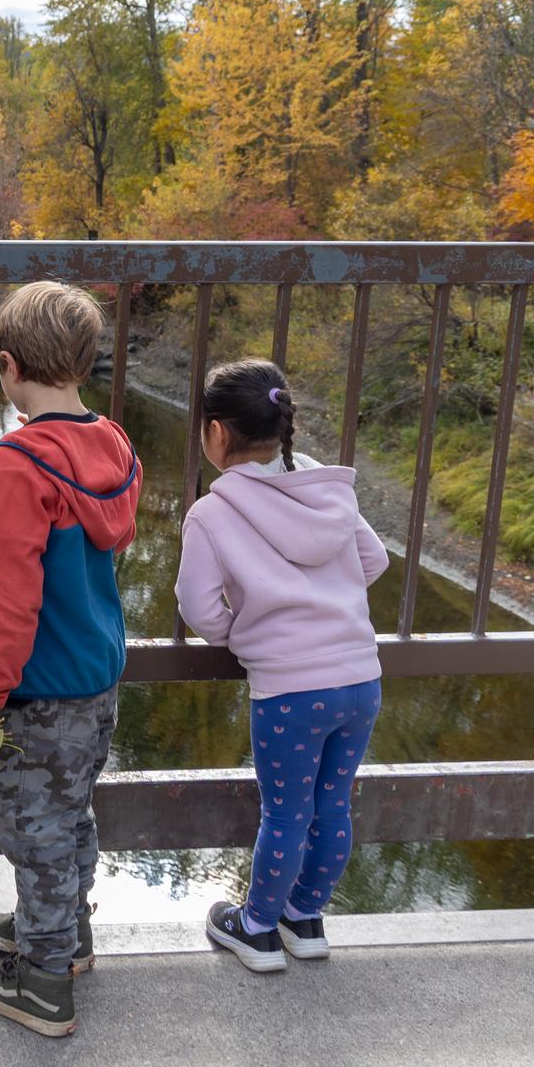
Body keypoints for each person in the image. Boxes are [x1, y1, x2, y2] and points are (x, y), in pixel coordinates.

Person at [0, 281, 141, 1037]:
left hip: (38, 688)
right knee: (69, 815)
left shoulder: (20, 463)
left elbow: (10, 595)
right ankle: (64, 931)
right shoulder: (111, 443)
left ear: (8, 365)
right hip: (96, 679)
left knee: (36, 827)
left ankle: (42, 982)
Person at [174, 359, 387, 973]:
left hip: (290, 690)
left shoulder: (213, 514)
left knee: (286, 811)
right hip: (361, 677)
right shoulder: (323, 484)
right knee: (333, 803)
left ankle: (259, 928)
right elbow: (372, 559)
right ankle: (306, 918)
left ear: (216, 434)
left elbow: (197, 607)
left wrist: (247, 636)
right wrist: (332, 601)